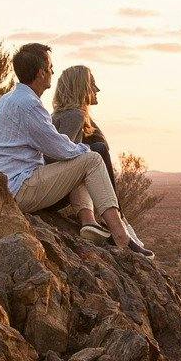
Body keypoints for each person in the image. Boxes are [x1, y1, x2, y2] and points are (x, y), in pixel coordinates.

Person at [0, 43, 152, 257]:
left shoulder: (7, 99)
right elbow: (60, 149)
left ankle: (90, 222)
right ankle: (121, 234)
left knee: (81, 161)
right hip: (17, 188)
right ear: (41, 72)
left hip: (1, 185)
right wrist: (86, 152)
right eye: (50, 67)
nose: (53, 71)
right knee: (92, 159)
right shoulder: (28, 105)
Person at [52, 63, 149, 253]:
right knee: (97, 150)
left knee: (92, 150)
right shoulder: (74, 115)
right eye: (92, 84)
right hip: (56, 190)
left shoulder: (66, 115)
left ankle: (90, 221)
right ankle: (119, 226)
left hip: (59, 186)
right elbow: (62, 157)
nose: (97, 89)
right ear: (81, 87)